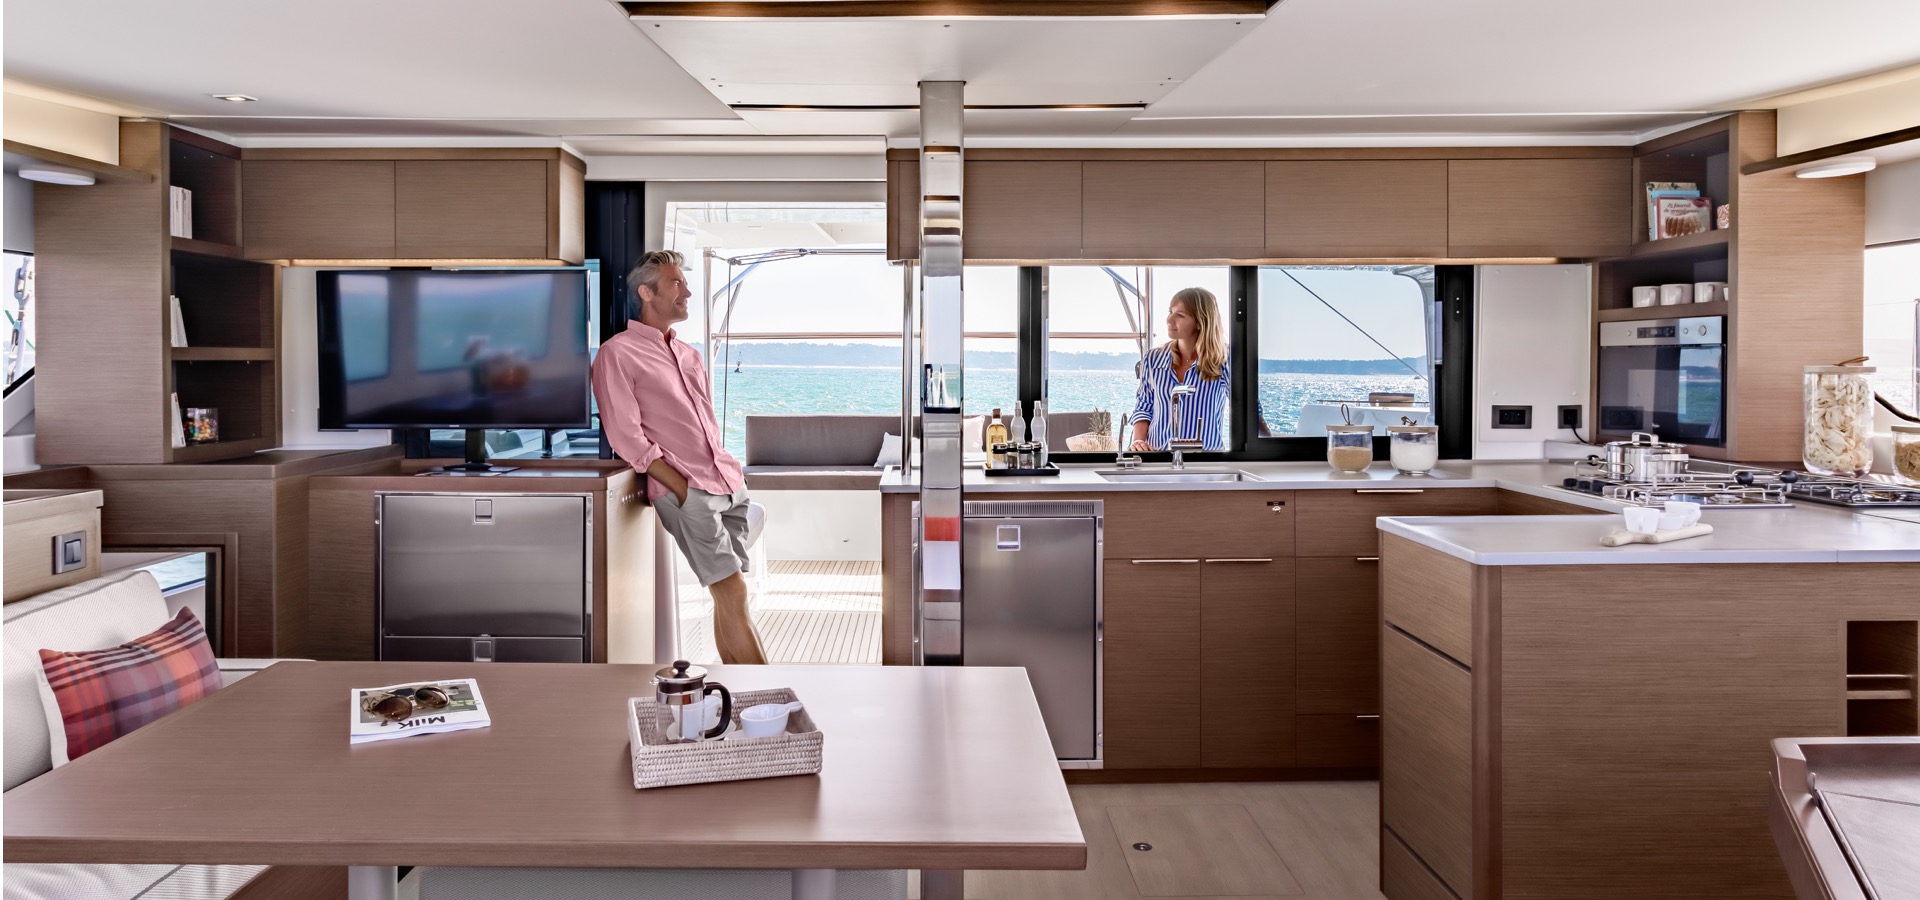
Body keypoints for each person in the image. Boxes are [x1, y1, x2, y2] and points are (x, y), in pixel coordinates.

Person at [592, 250, 769, 664]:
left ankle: (735, 689)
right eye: (676, 283)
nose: (687, 292)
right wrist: (681, 487)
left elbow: (705, 422)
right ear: (646, 292)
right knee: (733, 591)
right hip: (688, 492)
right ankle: (772, 695)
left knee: (729, 596)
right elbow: (626, 436)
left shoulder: (690, 354)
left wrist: (731, 473)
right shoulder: (617, 354)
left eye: (685, 283)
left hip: (726, 483)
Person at [1128, 287, 1230, 452]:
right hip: (1157, 458)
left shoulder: (1224, 358)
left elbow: (1247, 407)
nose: (1169, 319)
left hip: (1206, 460)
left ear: (1200, 322)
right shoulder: (1152, 358)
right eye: (1170, 312)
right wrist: (1138, 442)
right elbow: (1143, 407)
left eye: (1180, 315)